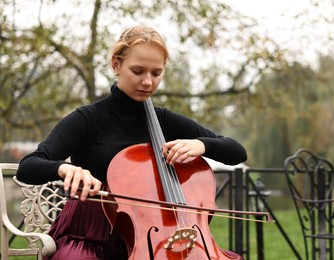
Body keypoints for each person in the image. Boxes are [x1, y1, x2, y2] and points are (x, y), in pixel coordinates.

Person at [16, 25, 247, 259]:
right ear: (116, 65)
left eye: (156, 73)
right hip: (88, 234)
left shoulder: (163, 120)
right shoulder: (87, 119)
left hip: (154, 235)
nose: (148, 82)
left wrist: (202, 145)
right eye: (138, 71)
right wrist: (64, 168)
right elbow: (29, 166)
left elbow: (236, 152)